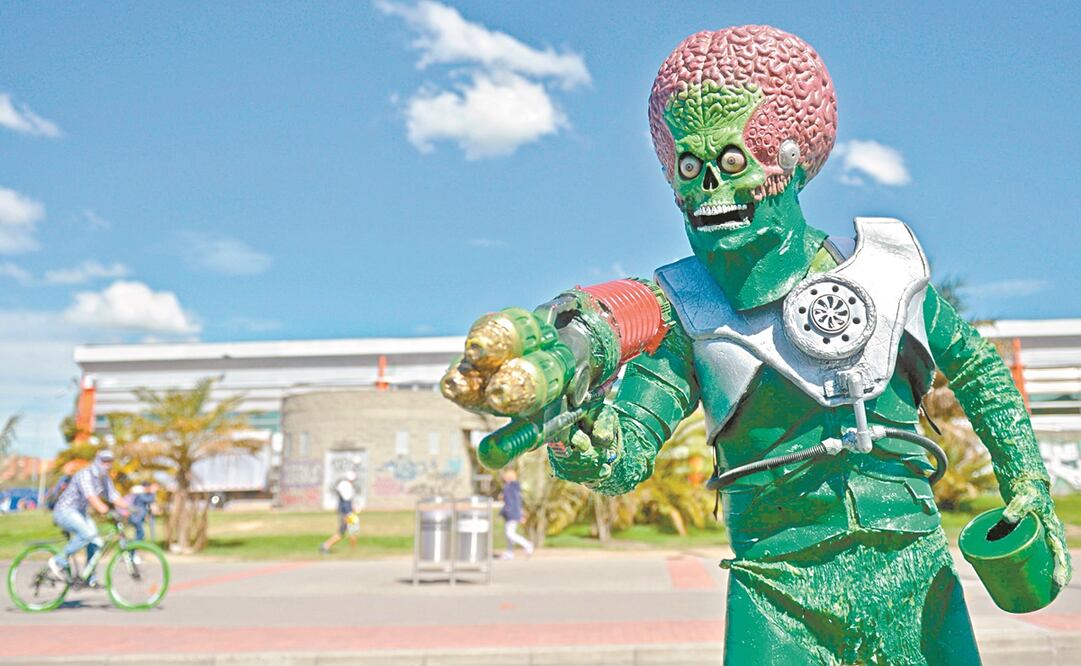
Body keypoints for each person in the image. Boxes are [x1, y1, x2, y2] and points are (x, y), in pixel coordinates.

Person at [442, 25, 1071, 664]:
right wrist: (580, 438)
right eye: (690, 167)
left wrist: (1027, 480)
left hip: (915, 571)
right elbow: (629, 449)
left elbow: (980, 369)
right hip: (776, 591)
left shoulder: (887, 273)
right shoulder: (687, 312)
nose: (709, 189)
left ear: (789, 159)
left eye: (733, 162)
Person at [49, 450, 130, 583]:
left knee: (97, 542)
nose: (107, 464)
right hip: (65, 511)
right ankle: (58, 560)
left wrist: (130, 508)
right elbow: (91, 497)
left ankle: (88, 576)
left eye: (109, 461)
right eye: (104, 461)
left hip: (79, 513)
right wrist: (106, 510)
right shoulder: (85, 474)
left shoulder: (104, 478)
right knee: (87, 535)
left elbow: (113, 496)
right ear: (97, 460)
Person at [320, 471, 359, 553]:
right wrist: (348, 514)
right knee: (352, 532)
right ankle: (353, 551)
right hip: (349, 513)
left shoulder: (343, 485)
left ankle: (326, 545)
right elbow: (346, 502)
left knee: (343, 533)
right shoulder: (347, 486)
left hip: (346, 513)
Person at [498, 468, 532, 559]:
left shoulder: (509, 488)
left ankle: (527, 545)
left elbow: (512, 502)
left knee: (510, 533)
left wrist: (509, 511)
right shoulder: (514, 488)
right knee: (509, 533)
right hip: (512, 513)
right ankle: (509, 553)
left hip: (511, 513)